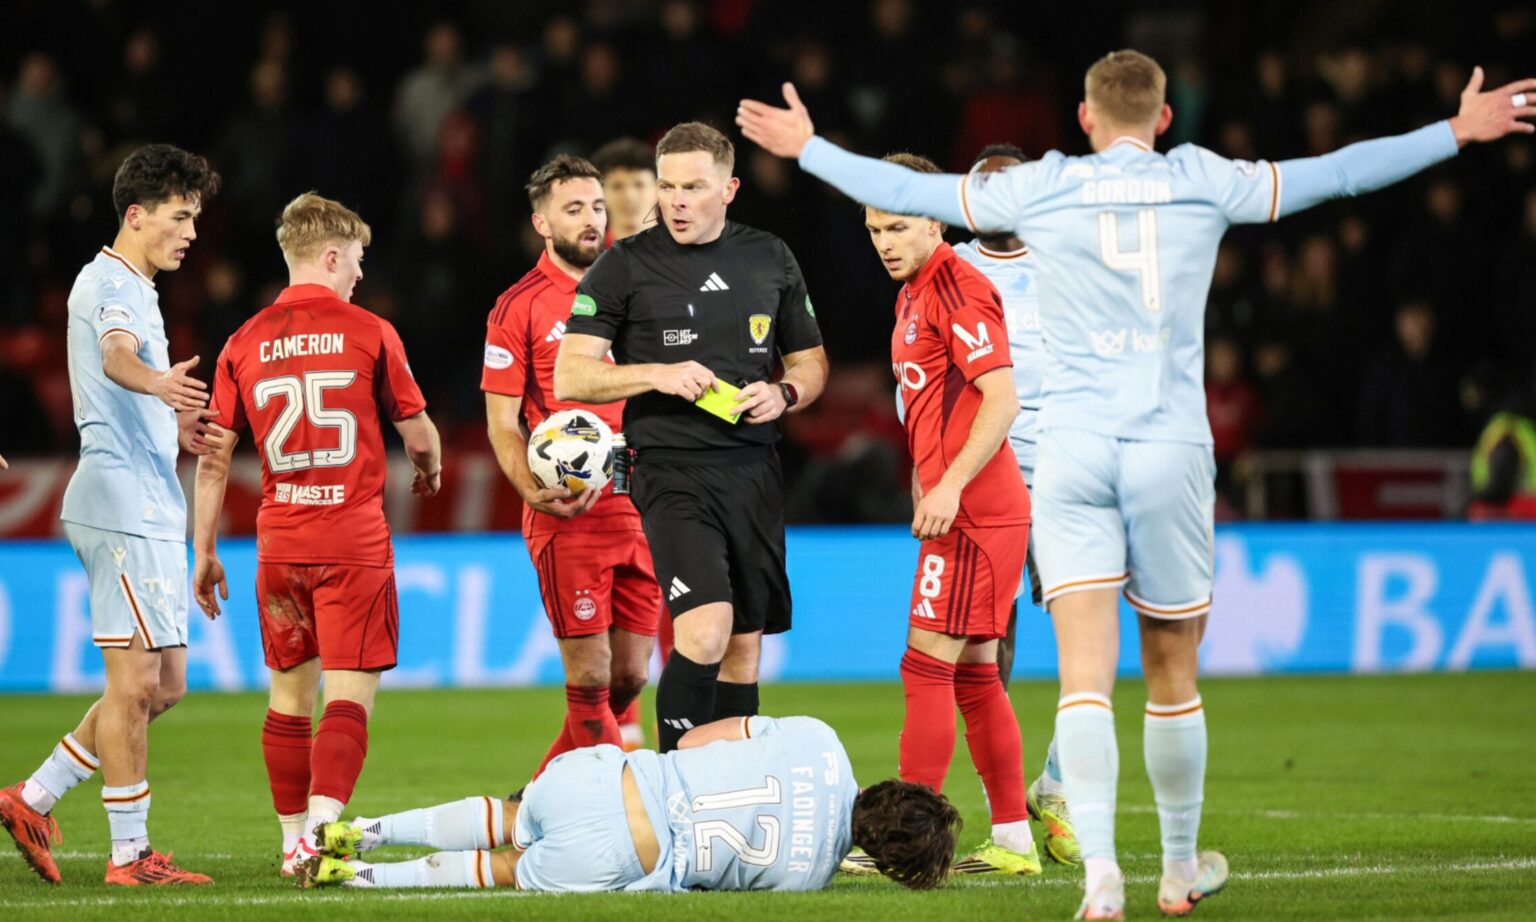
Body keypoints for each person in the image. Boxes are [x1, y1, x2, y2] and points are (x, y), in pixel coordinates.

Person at [738, 51, 1536, 918]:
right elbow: (1338, 175)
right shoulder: (1202, 179)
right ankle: (1175, 866)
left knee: (1076, 673)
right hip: (1167, 445)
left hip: (1072, 453)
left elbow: (925, 197)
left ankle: (1101, 879)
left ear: (1083, 118)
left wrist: (810, 145)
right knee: (1166, 674)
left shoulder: (1046, 189)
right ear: (1163, 120)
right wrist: (1457, 131)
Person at [554, 122, 829, 753]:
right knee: (703, 631)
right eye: (669, 186)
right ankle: (671, 791)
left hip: (755, 469)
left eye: (693, 188)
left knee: (742, 650)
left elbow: (812, 362)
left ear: (729, 189)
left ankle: (727, 795)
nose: (676, 201)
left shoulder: (770, 256)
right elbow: (571, 373)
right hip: (670, 469)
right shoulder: (624, 266)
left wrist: (784, 393)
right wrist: (658, 373)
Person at [191, 192, 442, 877]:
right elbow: (417, 433)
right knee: (348, 694)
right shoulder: (371, 331)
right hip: (350, 540)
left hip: (279, 543)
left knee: (288, 698)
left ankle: (290, 839)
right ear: (330, 256)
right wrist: (429, 467)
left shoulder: (243, 340)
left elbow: (213, 456)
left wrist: (205, 549)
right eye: (356, 260)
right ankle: (324, 832)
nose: (360, 273)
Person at [0, 144, 221, 886]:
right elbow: (119, 357)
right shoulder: (107, 284)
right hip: (118, 506)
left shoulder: (140, 286)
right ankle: (130, 855)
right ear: (137, 214)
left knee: (166, 688)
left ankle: (32, 798)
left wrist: (174, 428)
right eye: (180, 216)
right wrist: (158, 383)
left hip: (152, 505)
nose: (191, 232)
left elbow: (125, 379)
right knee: (132, 686)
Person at [854, 152, 1037, 876]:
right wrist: (928, 482)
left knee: (926, 668)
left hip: (978, 512)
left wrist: (952, 485)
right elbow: (933, 406)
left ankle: (908, 843)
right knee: (974, 677)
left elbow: (1002, 398)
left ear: (935, 221)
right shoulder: (914, 291)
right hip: (965, 509)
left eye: (898, 226)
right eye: (873, 230)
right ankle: (1016, 841)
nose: (885, 242)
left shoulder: (960, 289)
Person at [295, 715, 959, 892]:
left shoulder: (822, 741)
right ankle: (356, 876)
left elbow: (698, 737)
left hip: (610, 780)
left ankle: (361, 830)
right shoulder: (808, 880)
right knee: (503, 869)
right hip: (628, 857)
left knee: (505, 817)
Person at [482, 155, 661, 765]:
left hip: (641, 498)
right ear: (542, 222)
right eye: (574, 209)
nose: (592, 220)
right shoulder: (519, 306)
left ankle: (535, 801)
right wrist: (532, 488)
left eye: (596, 206)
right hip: (571, 508)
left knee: (630, 678)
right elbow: (502, 421)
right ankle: (619, 814)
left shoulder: (637, 284)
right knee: (588, 678)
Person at [951, 143, 1078, 867]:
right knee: (984, 644)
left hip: (1067, 474)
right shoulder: (951, 267)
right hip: (985, 473)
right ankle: (1002, 809)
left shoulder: (1071, 257)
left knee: (1085, 636)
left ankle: (1054, 784)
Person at [592, 137, 659, 244]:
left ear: (659, 190)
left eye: (639, 185)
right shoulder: (587, 257)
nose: (629, 196)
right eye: (617, 186)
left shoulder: (686, 253)